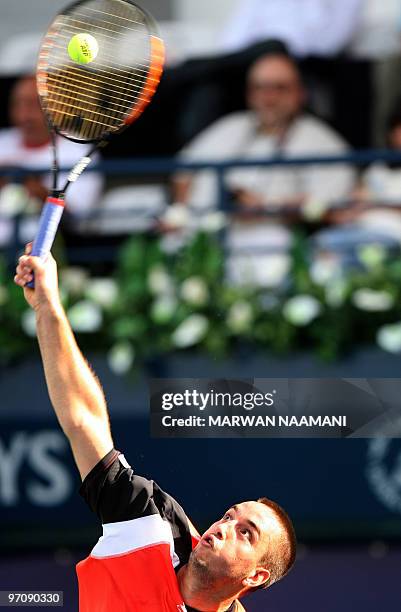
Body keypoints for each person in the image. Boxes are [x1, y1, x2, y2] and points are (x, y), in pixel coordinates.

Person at [14, 244, 297, 611]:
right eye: (229, 516)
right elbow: (84, 421)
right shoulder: (149, 527)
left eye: (245, 533)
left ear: (255, 577)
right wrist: (47, 305)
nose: (224, 527)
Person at [0, 75, 103, 247]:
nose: (24, 116)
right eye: (17, 104)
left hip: (52, 253)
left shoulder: (80, 152)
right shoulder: (3, 141)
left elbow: (74, 218)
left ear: (58, 108)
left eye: (34, 105)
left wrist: (27, 183)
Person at [221, 0, 363, 57]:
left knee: (275, 45)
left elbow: (328, 43)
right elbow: (233, 40)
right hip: (259, 56)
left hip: (301, 59)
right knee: (215, 75)